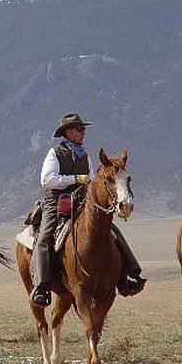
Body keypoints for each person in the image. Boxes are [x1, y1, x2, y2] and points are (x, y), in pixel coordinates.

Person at [30, 113, 146, 307]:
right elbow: (47, 180)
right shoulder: (55, 153)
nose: (83, 132)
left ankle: (129, 275)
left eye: (83, 129)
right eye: (79, 129)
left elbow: (92, 180)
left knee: (111, 231)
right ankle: (42, 286)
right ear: (68, 132)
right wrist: (75, 179)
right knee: (45, 237)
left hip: (81, 200)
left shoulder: (84, 154)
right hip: (57, 202)